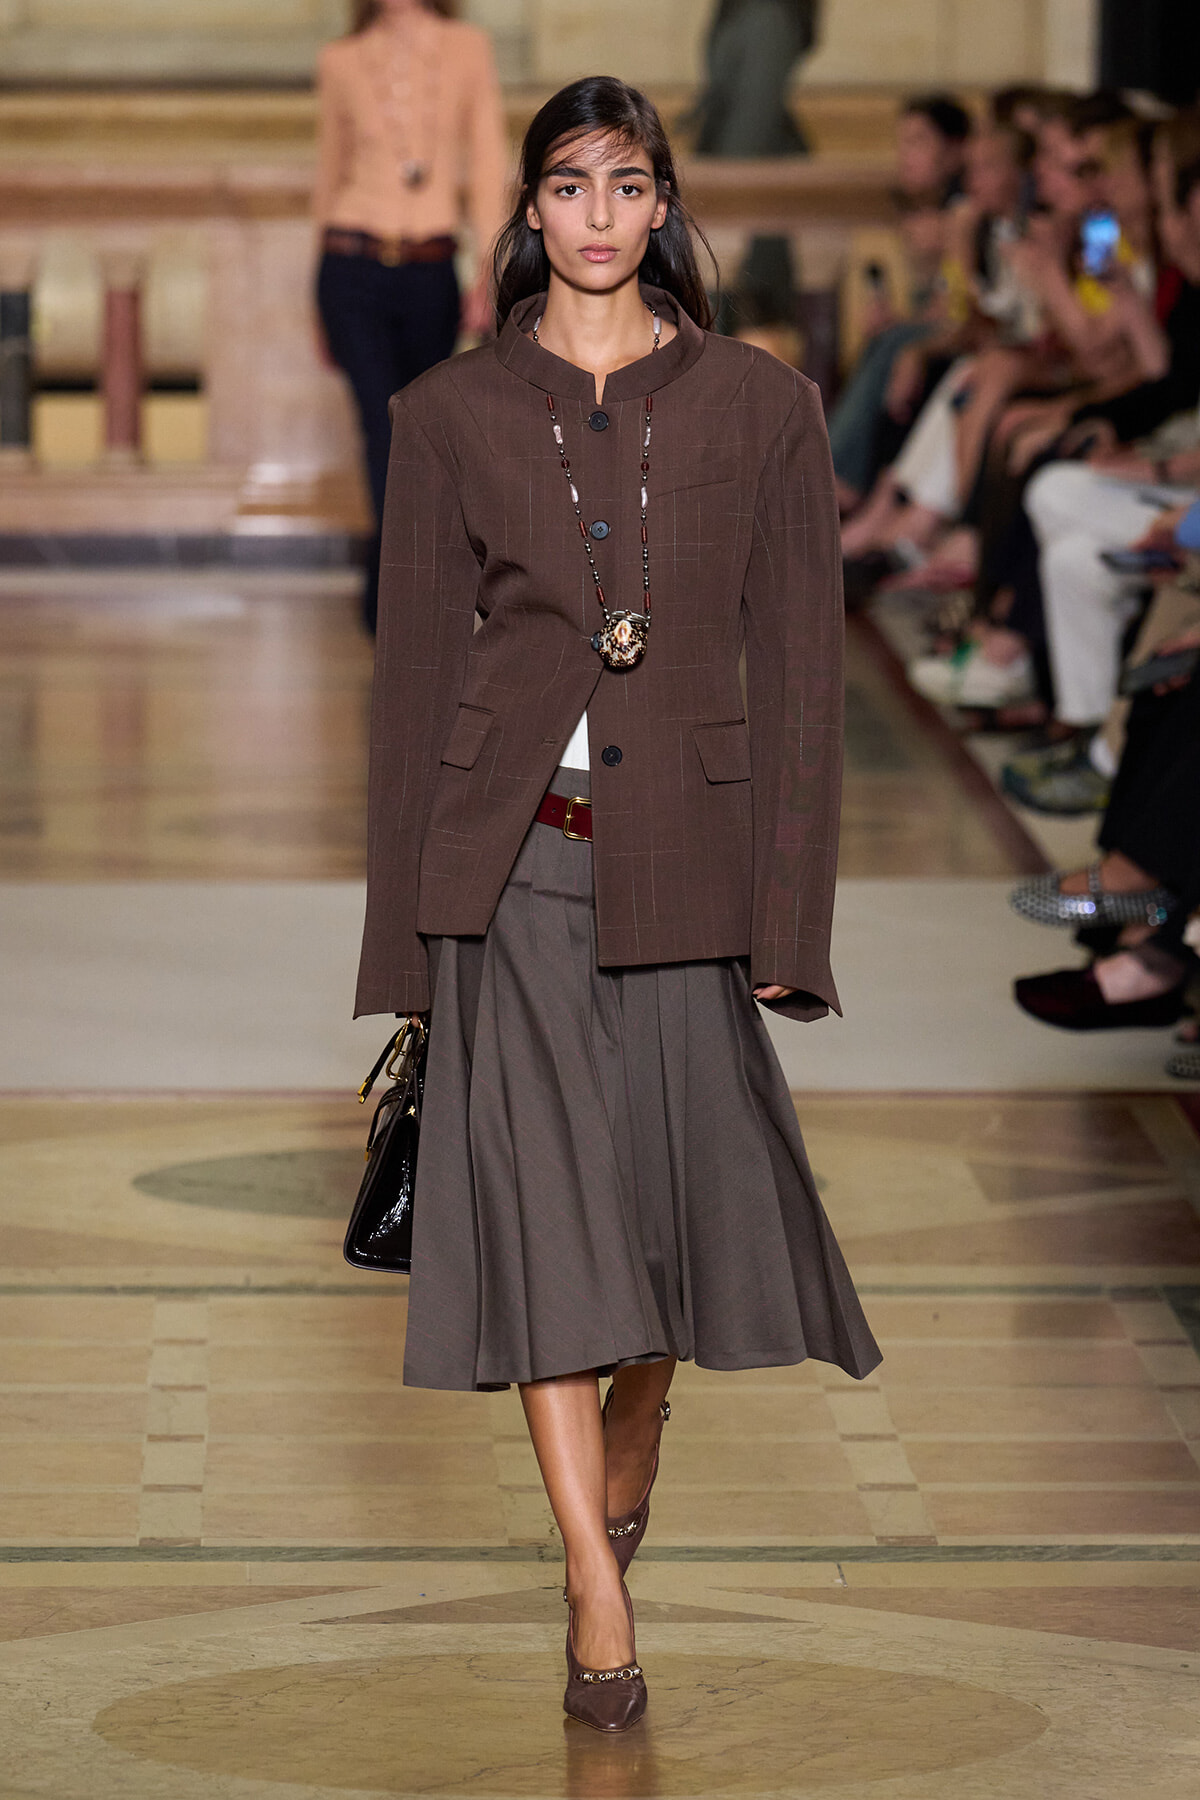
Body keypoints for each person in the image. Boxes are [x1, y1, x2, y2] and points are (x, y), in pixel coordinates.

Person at [353, 75, 881, 1730]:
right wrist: (404, 955)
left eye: (625, 183)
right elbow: (415, 681)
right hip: (507, 866)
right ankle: (594, 1576)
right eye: (567, 184)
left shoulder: (764, 407)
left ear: (664, 209)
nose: (594, 212)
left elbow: (804, 673)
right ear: (530, 213)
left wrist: (792, 926)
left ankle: (632, 1455)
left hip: (691, 868)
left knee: (658, 1234)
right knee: (552, 1233)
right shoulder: (448, 413)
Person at [314, 0, 508, 632]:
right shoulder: (341, 60)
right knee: (382, 425)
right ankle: (396, 600)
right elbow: (329, 172)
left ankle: (397, 592)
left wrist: (489, 269)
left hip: (430, 269)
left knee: (423, 434)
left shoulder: (466, 48)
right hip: (350, 264)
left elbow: (485, 164)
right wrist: (314, 293)